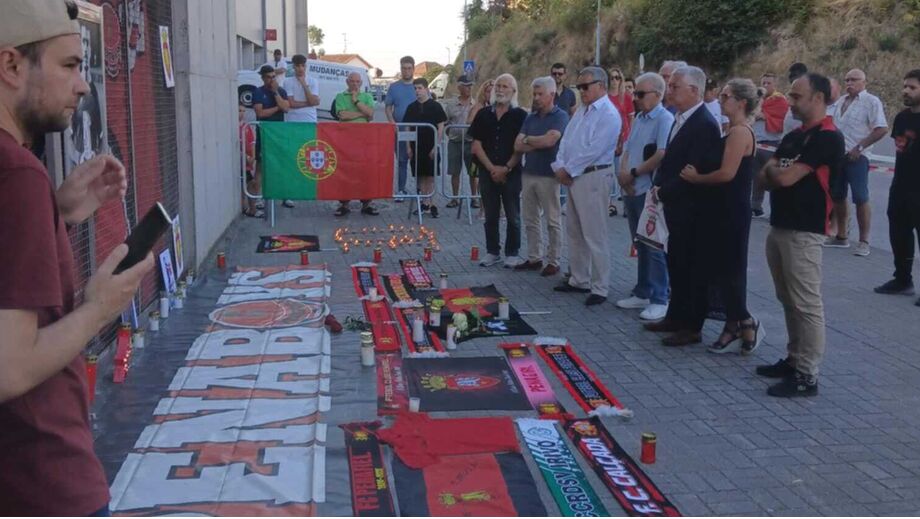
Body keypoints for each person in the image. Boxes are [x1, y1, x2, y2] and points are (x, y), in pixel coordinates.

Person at [0, 2, 154, 514]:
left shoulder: (23, 181)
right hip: (41, 477)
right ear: (12, 67)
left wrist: (56, 214)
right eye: (68, 66)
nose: (84, 85)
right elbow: (11, 368)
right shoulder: (18, 174)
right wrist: (100, 307)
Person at [756, 73, 845, 397]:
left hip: (805, 231)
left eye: (797, 96)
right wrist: (776, 172)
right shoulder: (794, 135)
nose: (790, 102)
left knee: (806, 303)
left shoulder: (828, 137)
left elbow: (784, 177)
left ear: (818, 98)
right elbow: (766, 177)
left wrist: (776, 172)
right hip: (780, 225)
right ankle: (794, 360)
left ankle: (807, 375)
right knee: (787, 298)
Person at [680, 78, 764, 354]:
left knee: (730, 269)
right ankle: (737, 323)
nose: (720, 98)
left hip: (731, 211)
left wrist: (696, 177)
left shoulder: (741, 133)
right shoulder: (731, 130)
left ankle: (742, 321)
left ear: (741, 102)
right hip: (720, 209)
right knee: (721, 268)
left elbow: (727, 173)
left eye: (726, 95)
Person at [645, 65, 722, 346]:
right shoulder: (680, 118)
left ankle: (692, 326)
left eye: (676, 86)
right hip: (674, 204)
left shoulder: (703, 123)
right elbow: (671, 160)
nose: (670, 90)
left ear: (694, 90)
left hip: (692, 208)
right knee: (675, 262)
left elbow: (694, 167)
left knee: (692, 267)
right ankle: (675, 315)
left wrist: (666, 189)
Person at [551, 67, 622, 306]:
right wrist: (560, 165)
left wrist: (567, 169)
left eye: (586, 86)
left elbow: (594, 150)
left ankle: (600, 286)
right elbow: (567, 140)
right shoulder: (582, 111)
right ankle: (579, 278)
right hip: (575, 175)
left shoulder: (609, 114)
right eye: (579, 87)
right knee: (574, 229)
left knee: (594, 233)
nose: (581, 91)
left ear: (601, 86)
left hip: (593, 176)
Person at [616, 72, 674, 321]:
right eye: (634, 93)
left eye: (640, 94)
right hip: (632, 187)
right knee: (639, 243)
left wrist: (634, 173)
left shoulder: (664, 118)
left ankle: (660, 297)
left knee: (654, 245)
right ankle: (643, 289)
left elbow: (662, 153)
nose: (635, 98)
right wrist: (623, 175)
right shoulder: (639, 118)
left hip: (650, 191)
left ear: (658, 95)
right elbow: (628, 147)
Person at [825, 68, 888, 256]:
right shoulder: (841, 101)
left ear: (864, 82)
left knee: (860, 196)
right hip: (838, 156)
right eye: (847, 80)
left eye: (854, 80)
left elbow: (882, 128)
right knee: (837, 194)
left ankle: (864, 241)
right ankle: (842, 236)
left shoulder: (871, 101)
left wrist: (860, 148)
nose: (849, 83)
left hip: (858, 157)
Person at [470, 73, 527, 267]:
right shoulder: (483, 114)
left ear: (513, 91)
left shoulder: (520, 115)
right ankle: (492, 251)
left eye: (505, 86)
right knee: (490, 215)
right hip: (487, 171)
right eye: (498, 86)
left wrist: (506, 167)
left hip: (512, 172)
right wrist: (492, 168)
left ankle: (512, 252)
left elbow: (521, 146)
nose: (500, 90)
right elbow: (476, 145)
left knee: (513, 215)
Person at [514, 76, 569, 276]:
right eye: (534, 94)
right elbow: (517, 144)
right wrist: (533, 141)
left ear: (552, 94)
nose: (535, 98)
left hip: (550, 175)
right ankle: (534, 257)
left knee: (552, 220)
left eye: (540, 94)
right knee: (530, 219)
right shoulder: (531, 117)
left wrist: (529, 140)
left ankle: (554, 260)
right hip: (529, 173)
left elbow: (550, 141)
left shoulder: (560, 116)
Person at [874, 69, 920, 305]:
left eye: (912, 87)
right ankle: (903, 280)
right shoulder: (902, 118)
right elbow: (901, 150)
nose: (906, 91)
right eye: (905, 86)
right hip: (900, 185)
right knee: (899, 233)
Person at [333, 72, 378, 216]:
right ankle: (344, 203)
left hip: (363, 140)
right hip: (345, 139)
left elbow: (371, 114)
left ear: (361, 83)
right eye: (352, 81)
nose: (354, 84)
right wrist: (361, 113)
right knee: (345, 169)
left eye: (357, 81)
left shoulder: (367, 96)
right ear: (347, 82)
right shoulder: (340, 96)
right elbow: (342, 115)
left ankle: (366, 203)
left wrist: (356, 101)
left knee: (364, 170)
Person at [403, 77, 447, 218]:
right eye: (415, 88)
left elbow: (440, 127)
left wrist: (436, 146)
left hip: (431, 146)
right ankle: (424, 203)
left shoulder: (436, 106)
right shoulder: (411, 107)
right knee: (420, 176)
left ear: (427, 89)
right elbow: (407, 128)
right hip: (417, 147)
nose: (417, 91)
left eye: (420, 88)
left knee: (431, 176)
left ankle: (432, 203)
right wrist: (408, 147)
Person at [253, 64, 293, 208]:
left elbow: (287, 108)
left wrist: (276, 93)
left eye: (273, 77)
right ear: (263, 78)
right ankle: (258, 198)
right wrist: (278, 107)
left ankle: (285, 196)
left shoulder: (280, 91)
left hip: (279, 133)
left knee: (282, 164)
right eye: (268, 77)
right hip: (264, 133)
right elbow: (260, 113)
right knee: (260, 166)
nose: (271, 80)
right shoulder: (258, 92)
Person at [751, 73, 789, 218]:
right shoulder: (758, 99)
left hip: (771, 143)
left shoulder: (780, 101)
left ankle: (777, 210)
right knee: (756, 177)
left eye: (769, 83)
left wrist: (766, 116)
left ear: (775, 85)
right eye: (764, 83)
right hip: (756, 142)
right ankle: (755, 205)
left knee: (772, 178)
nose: (765, 86)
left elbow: (782, 119)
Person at [385, 56, 418, 199]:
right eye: (404, 68)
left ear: (413, 69)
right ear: (400, 69)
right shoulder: (394, 87)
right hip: (401, 129)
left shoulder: (419, 86)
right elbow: (387, 108)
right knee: (402, 161)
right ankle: (401, 190)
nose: (406, 71)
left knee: (418, 160)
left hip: (418, 129)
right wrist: (392, 123)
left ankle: (420, 190)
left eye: (409, 68)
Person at [443, 74, 475, 208]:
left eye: (470, 86)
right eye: (466, 86)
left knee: (473, 172)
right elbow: (445, 122)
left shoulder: (476, 104)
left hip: (471, 143)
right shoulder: (451, 104)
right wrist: (449, 132)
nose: (469, 88)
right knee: (454, 171)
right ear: (460, 87)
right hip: (455, 143)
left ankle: (475, 198)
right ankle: (454, 198)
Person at [607, 65, 634, 216]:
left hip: (623, 139)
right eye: (612, 78)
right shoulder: (605, 97)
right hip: (608, 140)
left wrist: (629, 137)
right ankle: (610, 204)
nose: (615, 81)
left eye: (617, 77)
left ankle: (625, 204)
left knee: (621, 172)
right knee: (608, 173)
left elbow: (631, 118)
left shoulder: (626, 97)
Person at [239, 105, 262, 218]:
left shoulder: (246, 126)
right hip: (241, 161)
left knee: (250, 184)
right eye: (239, 111)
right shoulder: (236, 127)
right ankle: (251, 209)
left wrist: (252, 156)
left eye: (243, 111)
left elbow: (252, 142)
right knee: (250, 184)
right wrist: (246, 157)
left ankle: (251, 208)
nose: (242, 113)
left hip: (248, 161)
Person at [283, 54, 320, 123]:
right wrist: (309, 103)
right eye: (298, 66)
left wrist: (304, 85)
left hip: (309, 119)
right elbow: (292, 104)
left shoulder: (313, 81)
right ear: (293, 66)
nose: (301, 68)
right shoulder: (287, 81)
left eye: (303, 65)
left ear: (305, 66)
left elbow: (313, 102)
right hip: (293, 120)